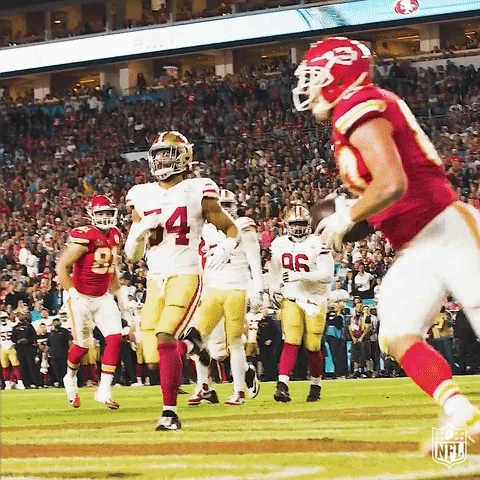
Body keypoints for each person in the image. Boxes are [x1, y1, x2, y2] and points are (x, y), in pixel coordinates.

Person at [293, 36, 480, 448]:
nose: (308, 86)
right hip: (414, 246)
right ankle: (462, 413)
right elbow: (387, 191)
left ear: (337, 75)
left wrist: (349, 215)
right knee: (397, 331)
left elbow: (393, 183)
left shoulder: (356, 103)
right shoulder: (352, 111)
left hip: (448, 229)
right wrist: (357, 213)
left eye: (314, 76)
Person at [124, 131, 238, 431]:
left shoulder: (197, 189)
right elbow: (132, 255)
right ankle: (193, 346)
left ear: (184, 156)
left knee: (165, 337)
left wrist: (227, 246)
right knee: (153, 354)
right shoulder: (141, 194)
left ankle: (169, 413)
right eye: (159, 154)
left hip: (186, 272)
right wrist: (138, 233)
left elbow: (230, 228)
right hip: (154, 278)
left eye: (169, 153)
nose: (162, 159)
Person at [189, 189, 263, 406]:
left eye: (228, 205)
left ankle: (238, 390)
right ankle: (204, 385)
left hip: (236, 288)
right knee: (198, 340)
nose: (224, 210)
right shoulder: (205, 229)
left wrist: (258, 290)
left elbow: (254, 261)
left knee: (233, 342)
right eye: (221, 206)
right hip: (212, 289)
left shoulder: (243, 227)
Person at [56, 195, 126, 410]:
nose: (105, 216)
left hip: (102, 297)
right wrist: (73, 293)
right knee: (83, 346)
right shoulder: (85, 236)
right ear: (92, 215)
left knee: (115, 338)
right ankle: (70, 377)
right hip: (81, 296)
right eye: (100, 213)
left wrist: (119, 294)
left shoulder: (116, 235)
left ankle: (104, 390)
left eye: (108, 212)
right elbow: (61, 268)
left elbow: (111, 268)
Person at [269, 205, 334, 402]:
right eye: (294, 224)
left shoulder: (318, 242)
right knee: (291, 340)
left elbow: (326, 276)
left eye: (301, 224)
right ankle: (282, 385)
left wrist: (299, 275)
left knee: (313, 346)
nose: (298, 228)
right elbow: (275, 269)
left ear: (308, 224)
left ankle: (315, 385)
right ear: (287, 225)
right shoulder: (279, 243)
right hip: (291, 295)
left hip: (315, 298)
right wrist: (273, 288)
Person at [47, 317, 73, 387]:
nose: (56, 323)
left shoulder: (64, 331)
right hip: (54, 355)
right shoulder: (51, 333)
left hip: (63, 354)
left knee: (64, 369)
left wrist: (71, 351)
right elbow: (48, 345)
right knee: (57, 370)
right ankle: (61, 383)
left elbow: (70, 341)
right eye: (55, 322)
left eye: (57, 321)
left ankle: (68, 383)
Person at [0, 311, 23, 390]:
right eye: (1, 318)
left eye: (4, 318)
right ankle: (7, 383)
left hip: (11, 347)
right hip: (2, 349)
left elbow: (18, 323)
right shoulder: (11, 325)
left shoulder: (12, 325)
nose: (3, 320)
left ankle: (19, 381)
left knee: (16, 366)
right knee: (4, 367)